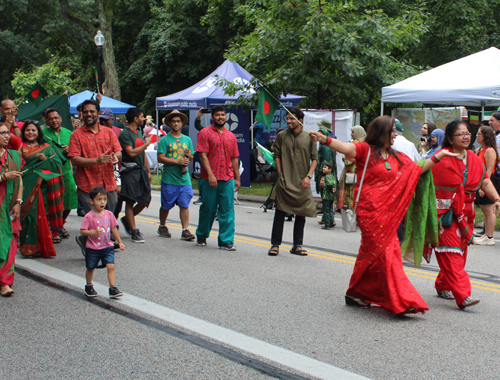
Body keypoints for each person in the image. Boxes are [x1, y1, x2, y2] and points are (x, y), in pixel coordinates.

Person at [310, 115, 458, 315]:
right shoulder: (364, 150)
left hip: (391, 213)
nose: (396, 135)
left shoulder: (397, 157)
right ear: (381, 133)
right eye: (392, 132)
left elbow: (417, 170)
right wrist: (324, 139)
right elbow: (345, 148)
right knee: (387, 254)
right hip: (370, 213)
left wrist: (438, 156)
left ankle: (355, 292)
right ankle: (402, 300)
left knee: (372, 254)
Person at [429, 120, 500, 309]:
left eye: (468, 133)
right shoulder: (439, 158)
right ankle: (463, 296)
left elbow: (485, 181)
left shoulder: (473, 157)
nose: (466, 136)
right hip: (445, 214)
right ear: (450, 138)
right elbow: (420, 176)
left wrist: (497, 198)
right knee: (452, 253)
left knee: (458, 254)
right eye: (461, 134)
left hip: (466, 214)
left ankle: (443, 285)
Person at [68, 100, 122, 254]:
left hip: (108, 183)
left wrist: (115, 157)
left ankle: (86, 240)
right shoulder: (76, 135)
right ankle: (96, 251)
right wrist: (96, 161)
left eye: (92, 111)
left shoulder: (108, 132)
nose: (89, 114)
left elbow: (118, 151)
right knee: (95, 219)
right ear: (81, 114)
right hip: (88, 186)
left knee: (107, 216)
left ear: (98, 113)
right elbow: (74, 159)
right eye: (85, 112)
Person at [268, 107, 317, 256]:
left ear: (300, 120)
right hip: (285, 180)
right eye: (287, 118)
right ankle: (275, 245)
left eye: (291, 118)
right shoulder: (282, 136)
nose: (288, 121)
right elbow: (276, 154)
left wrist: (308, 177)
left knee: (301, 213)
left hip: (302, 181)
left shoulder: (309, 137)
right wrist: (280, 173)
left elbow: (314, 159)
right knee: (280, 212)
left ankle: (297, 245)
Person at [195, 105, 240, 250]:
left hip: (227, 178)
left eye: (223, 115)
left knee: (227, 209)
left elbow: (234, 158)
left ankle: (226, 240)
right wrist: (210, 175)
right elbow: (202, 155)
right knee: (208, 208)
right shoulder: (204, 133)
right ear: (212, 117)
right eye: (217, 115)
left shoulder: (231, 136)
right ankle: (202, 234)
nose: (220, 117)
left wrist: (237, 178)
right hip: (209, 178)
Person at [20, 120, 64, 255]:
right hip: (25, 186)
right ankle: (28, 247)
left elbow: (58, 166)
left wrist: (45, 159)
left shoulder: (46, 147)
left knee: (40, 216)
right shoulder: (20, 148)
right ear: (24, 133)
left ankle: (41, 247)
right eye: (28, 130)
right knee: (27, 216)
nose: (31, 132)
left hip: (42, 187)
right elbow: (17, 166)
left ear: (38, 132)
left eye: (33, 130)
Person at [80, 186, 125, 298]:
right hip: (93, 248)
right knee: (91, 267)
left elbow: (114, 228)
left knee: (111, 266)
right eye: (99, 199)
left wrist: (120, 242)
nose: (102, 202)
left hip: (107, 247)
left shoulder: (109, 214)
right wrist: (93, 232)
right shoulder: (89, 216)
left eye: (104, 199)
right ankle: (89, 285)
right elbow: (82, 231)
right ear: (91, 201)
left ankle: (113, 288)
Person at [157, 109, 195, 240]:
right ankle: (162, 225)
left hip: (184, 179)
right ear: (169, 123)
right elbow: (160, 158)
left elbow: (191, 157)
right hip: (169, 179)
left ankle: (185, 230)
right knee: (166, 205)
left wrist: (189, 156)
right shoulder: (165, 140)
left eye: (178, 121)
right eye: (173, 121)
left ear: (182, 123)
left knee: (184, 204)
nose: (176, 123)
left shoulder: (187, 139)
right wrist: (177, 161)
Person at [118, 108, 152, 243]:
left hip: (140, 170)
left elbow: (142, 155)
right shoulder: (125, 134)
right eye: (142, 117)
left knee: (144, 200)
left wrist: (148, 171)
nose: (143, 119)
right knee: (130, 201)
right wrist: (146, 145)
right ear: (135, 118)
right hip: (129, 171)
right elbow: (131, 153)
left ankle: (127, 219)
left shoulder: (139, 132)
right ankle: (134, 231)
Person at [43, 108, 78, 239]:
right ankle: (53, 227)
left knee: (69, 199)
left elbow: (76, 151)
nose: (54, 120)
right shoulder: (42, 133)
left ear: (61, 119)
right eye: (50, 118)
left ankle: (60, 224)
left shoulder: (69, 133)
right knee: (51, 200)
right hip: (50, 172)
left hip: (67, 171)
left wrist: (70, 149)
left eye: (56, 117)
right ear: (46, 121)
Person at [0, 122, 23, 297]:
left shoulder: (14, 155)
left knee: (10, 243)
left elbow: (19, 181)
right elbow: (7, 177)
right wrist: (2, 176)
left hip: (9, 205)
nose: (7, 135)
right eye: (2, 133)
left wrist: (18, 202)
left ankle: (5, 283)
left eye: (7, 132)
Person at [473, 125, 499, 245]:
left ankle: (489, 237)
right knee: (484, 209)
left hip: (488, 181)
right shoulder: (479, 150)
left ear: (485, 136)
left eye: (479, 134)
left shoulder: (489, 150)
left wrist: (483, 187)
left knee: (489, 210)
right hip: (481, 182)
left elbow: (489, 170)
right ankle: (486, 234)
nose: (477, 136)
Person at [336, 125, 366, 210]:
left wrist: (344, 158)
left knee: (350, 195)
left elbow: (348, 159)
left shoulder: (354, 144)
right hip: (363, 174)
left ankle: (354, 214)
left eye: (353, 132)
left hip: (352, 174)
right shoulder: (367, 144)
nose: (351, 134)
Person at [315, 122, 337, 227]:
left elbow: (327, 163)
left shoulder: (325, 147)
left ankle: (329, 220)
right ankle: (326, 218)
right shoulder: (329, 144)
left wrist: (323, 177)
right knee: (327, 197)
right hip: (329, 175)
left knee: (326, 197)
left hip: (325, 174)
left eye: (320, 134)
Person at [320, 162, 336, 230]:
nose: (323, 168)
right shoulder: (333, 176)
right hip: (332, 196)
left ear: (330, 169)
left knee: (326, 210)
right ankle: (332, 222)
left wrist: (330, 189)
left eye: (325, 167)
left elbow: (329, 184)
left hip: (326, 196)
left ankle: (327, 225)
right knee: (330, 209)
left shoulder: (327, 177)